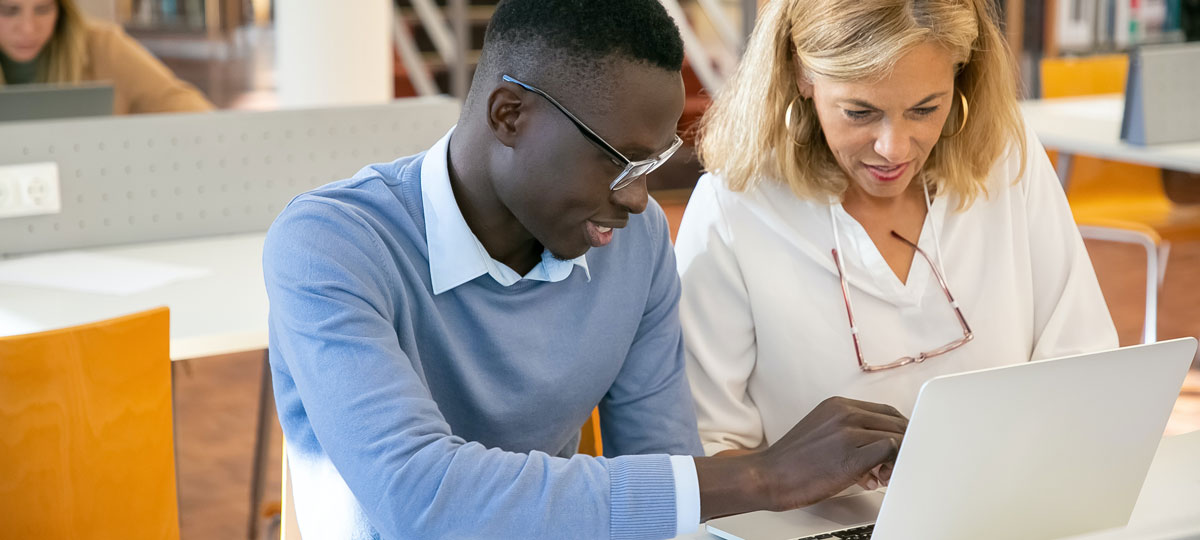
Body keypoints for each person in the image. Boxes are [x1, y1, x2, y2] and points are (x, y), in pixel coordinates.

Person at [264, 1, 908, 538]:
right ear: (508, 115)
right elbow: (421, 499)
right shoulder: (329, 245)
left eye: (650, 166)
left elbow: (666, 476)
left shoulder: (634, 242)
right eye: (616, 161)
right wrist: (763, 475)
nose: (636, 199)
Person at [675, 0, 1119, 458]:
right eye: (860, 112)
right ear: (801, 74)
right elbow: (709, 449)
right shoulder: (733, 210)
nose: (893, 149)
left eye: (925, 109)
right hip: (818, 527)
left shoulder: (1005, 159)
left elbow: (1082, 362)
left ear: (960, 74)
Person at [0, 0, 213, 113]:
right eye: (9, 11)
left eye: (43, 9)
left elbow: (185, 105)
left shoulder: (102, 45)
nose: (28, 28)